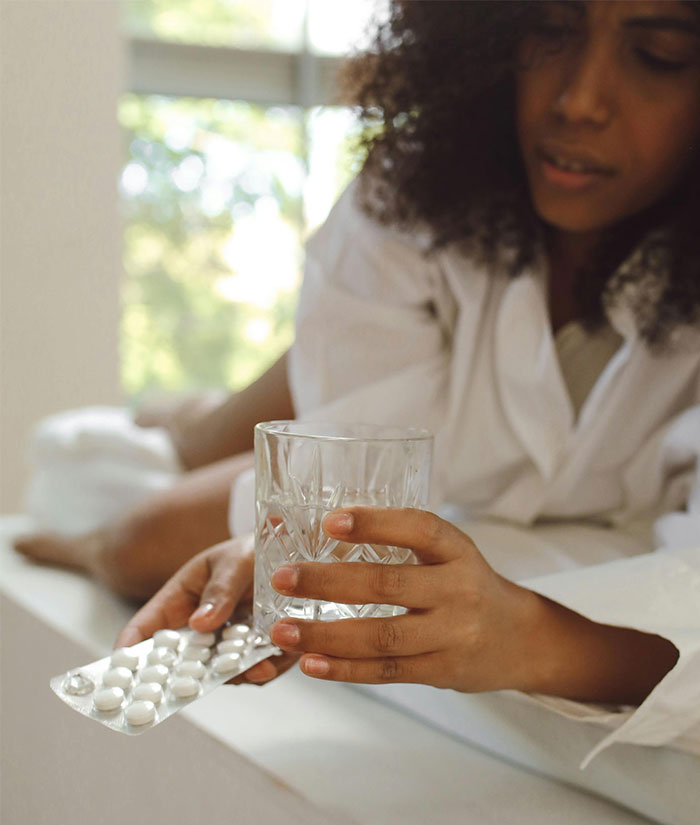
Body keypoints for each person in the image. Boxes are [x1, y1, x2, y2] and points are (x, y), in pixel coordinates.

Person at [23, 1, 700, 710]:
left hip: (481, 472)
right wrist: (320, 551)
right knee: (141, 540)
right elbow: (353, 494)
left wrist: (526, 634)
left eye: (658, 55)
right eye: (552, 31)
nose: (580, 100)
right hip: (400, 403)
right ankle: (188, 421)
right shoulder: (416, 187)